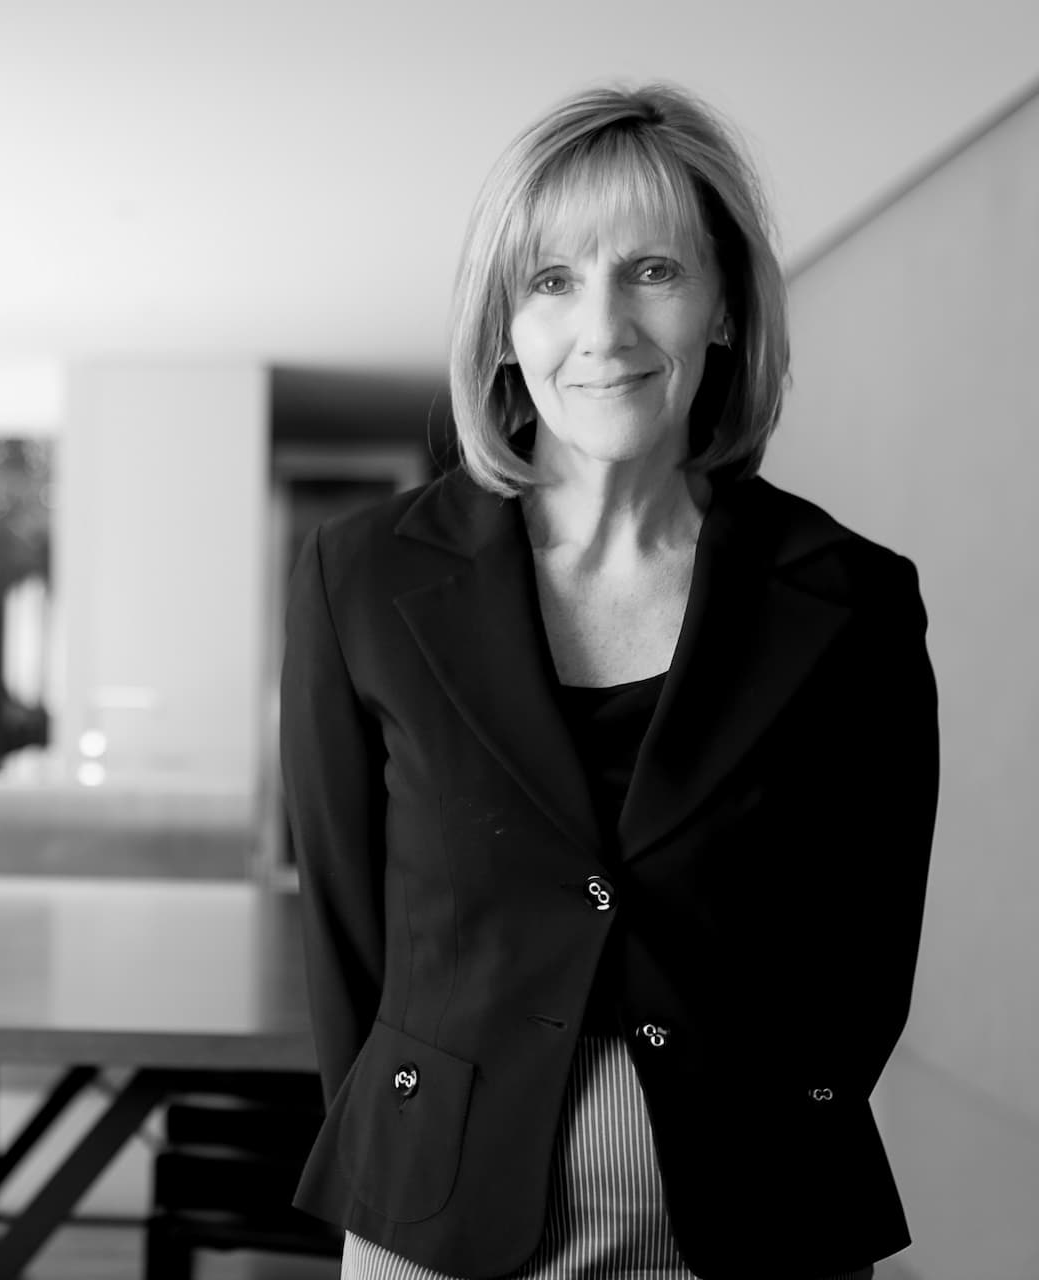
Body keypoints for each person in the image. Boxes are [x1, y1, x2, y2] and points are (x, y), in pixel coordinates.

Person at [280, 82, 938, 1280]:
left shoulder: (853, 600)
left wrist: (779, 1114)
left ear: (725, 302)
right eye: (551, 281)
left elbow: (865, 954)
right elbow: (342, 934)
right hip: (438, 1201)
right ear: (502, 325)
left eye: (651, 270)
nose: (604, 329)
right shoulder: (360, 577)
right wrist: (401, 1153)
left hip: (754, 1203)